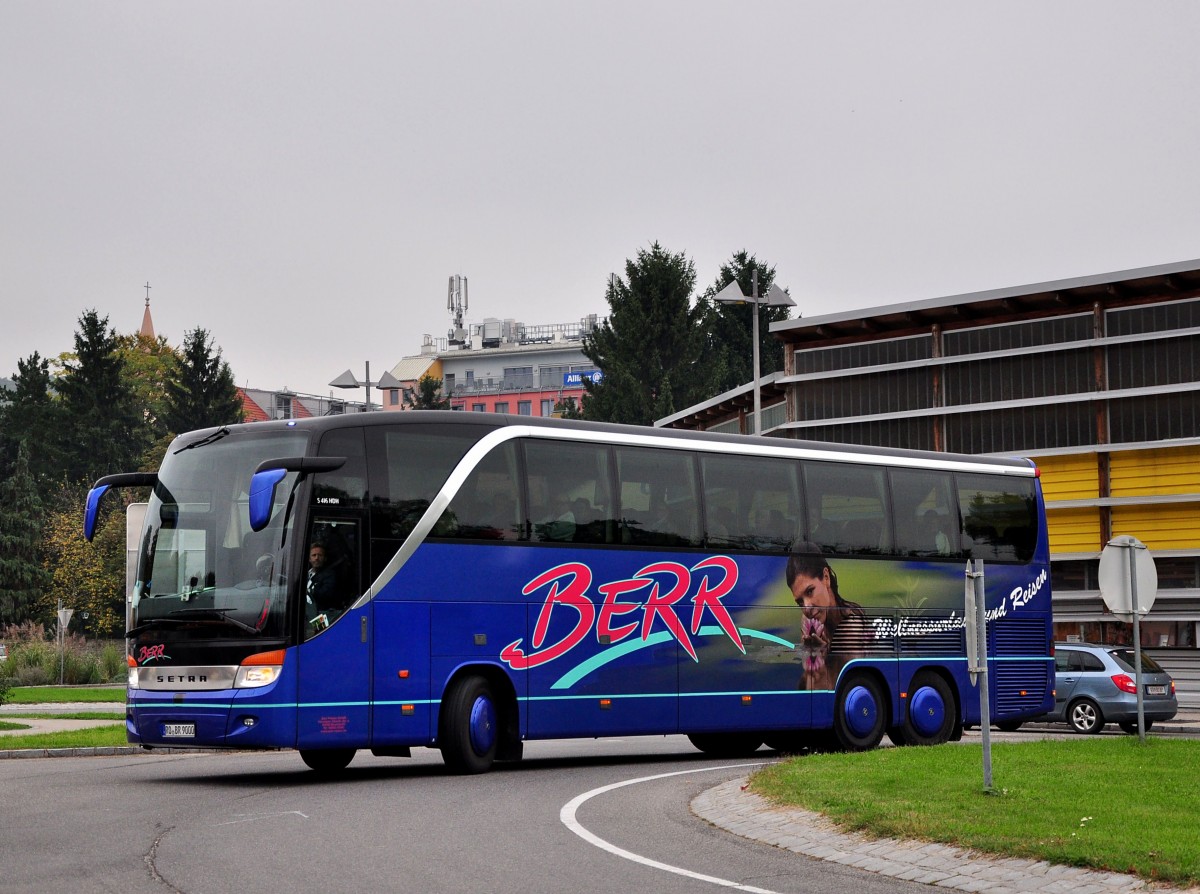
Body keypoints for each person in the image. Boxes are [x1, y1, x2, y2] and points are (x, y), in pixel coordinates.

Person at [786, 543, 868, 691]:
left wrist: (821, 655)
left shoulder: (851, 626)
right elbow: (809, 685)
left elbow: (845, 690)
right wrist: (813, 654)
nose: (807, 608)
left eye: (810, 591)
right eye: (800, 602)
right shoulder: (808, 621)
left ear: (826, 577)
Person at [305, 542, 342, 631]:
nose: (317, 558)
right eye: (314, 555)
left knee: (313, 635)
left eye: (320, 555)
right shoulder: (306, 574)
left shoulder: (330, 575)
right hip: (306, 614)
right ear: (309, 559)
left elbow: (325, 594)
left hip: (322, 614)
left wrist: (310, 590)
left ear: (325, 558)